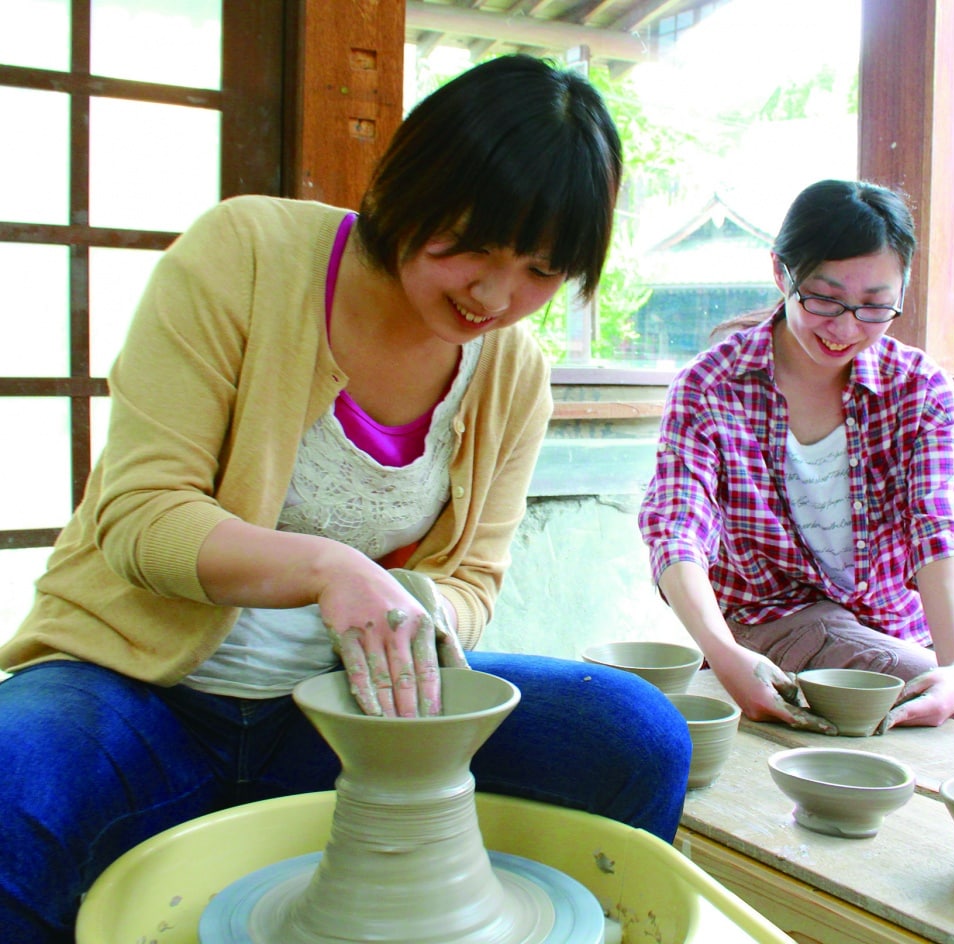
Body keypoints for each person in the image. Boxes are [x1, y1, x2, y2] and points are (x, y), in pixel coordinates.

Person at [0, 55, 690, 943]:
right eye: (474, 245)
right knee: (14, 782)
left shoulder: (513, 374)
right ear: (414, 187)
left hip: (346, 720)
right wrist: (331, 569)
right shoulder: (245, 254)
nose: (495, 294)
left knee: (634, 737)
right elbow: (140, 517)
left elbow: (475, 579)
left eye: (541, 271)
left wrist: (410, 614)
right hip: (141, 693)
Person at [638, 178, 954, 735]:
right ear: (782, 273)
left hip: (896, 613)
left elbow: (939, 531)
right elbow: (677, 530)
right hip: (776, 617)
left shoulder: (920, 389)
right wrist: (723, 653)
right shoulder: (712, 385)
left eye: (875, 307)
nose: (846, 327)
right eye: (825, 300)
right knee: (940, 702)